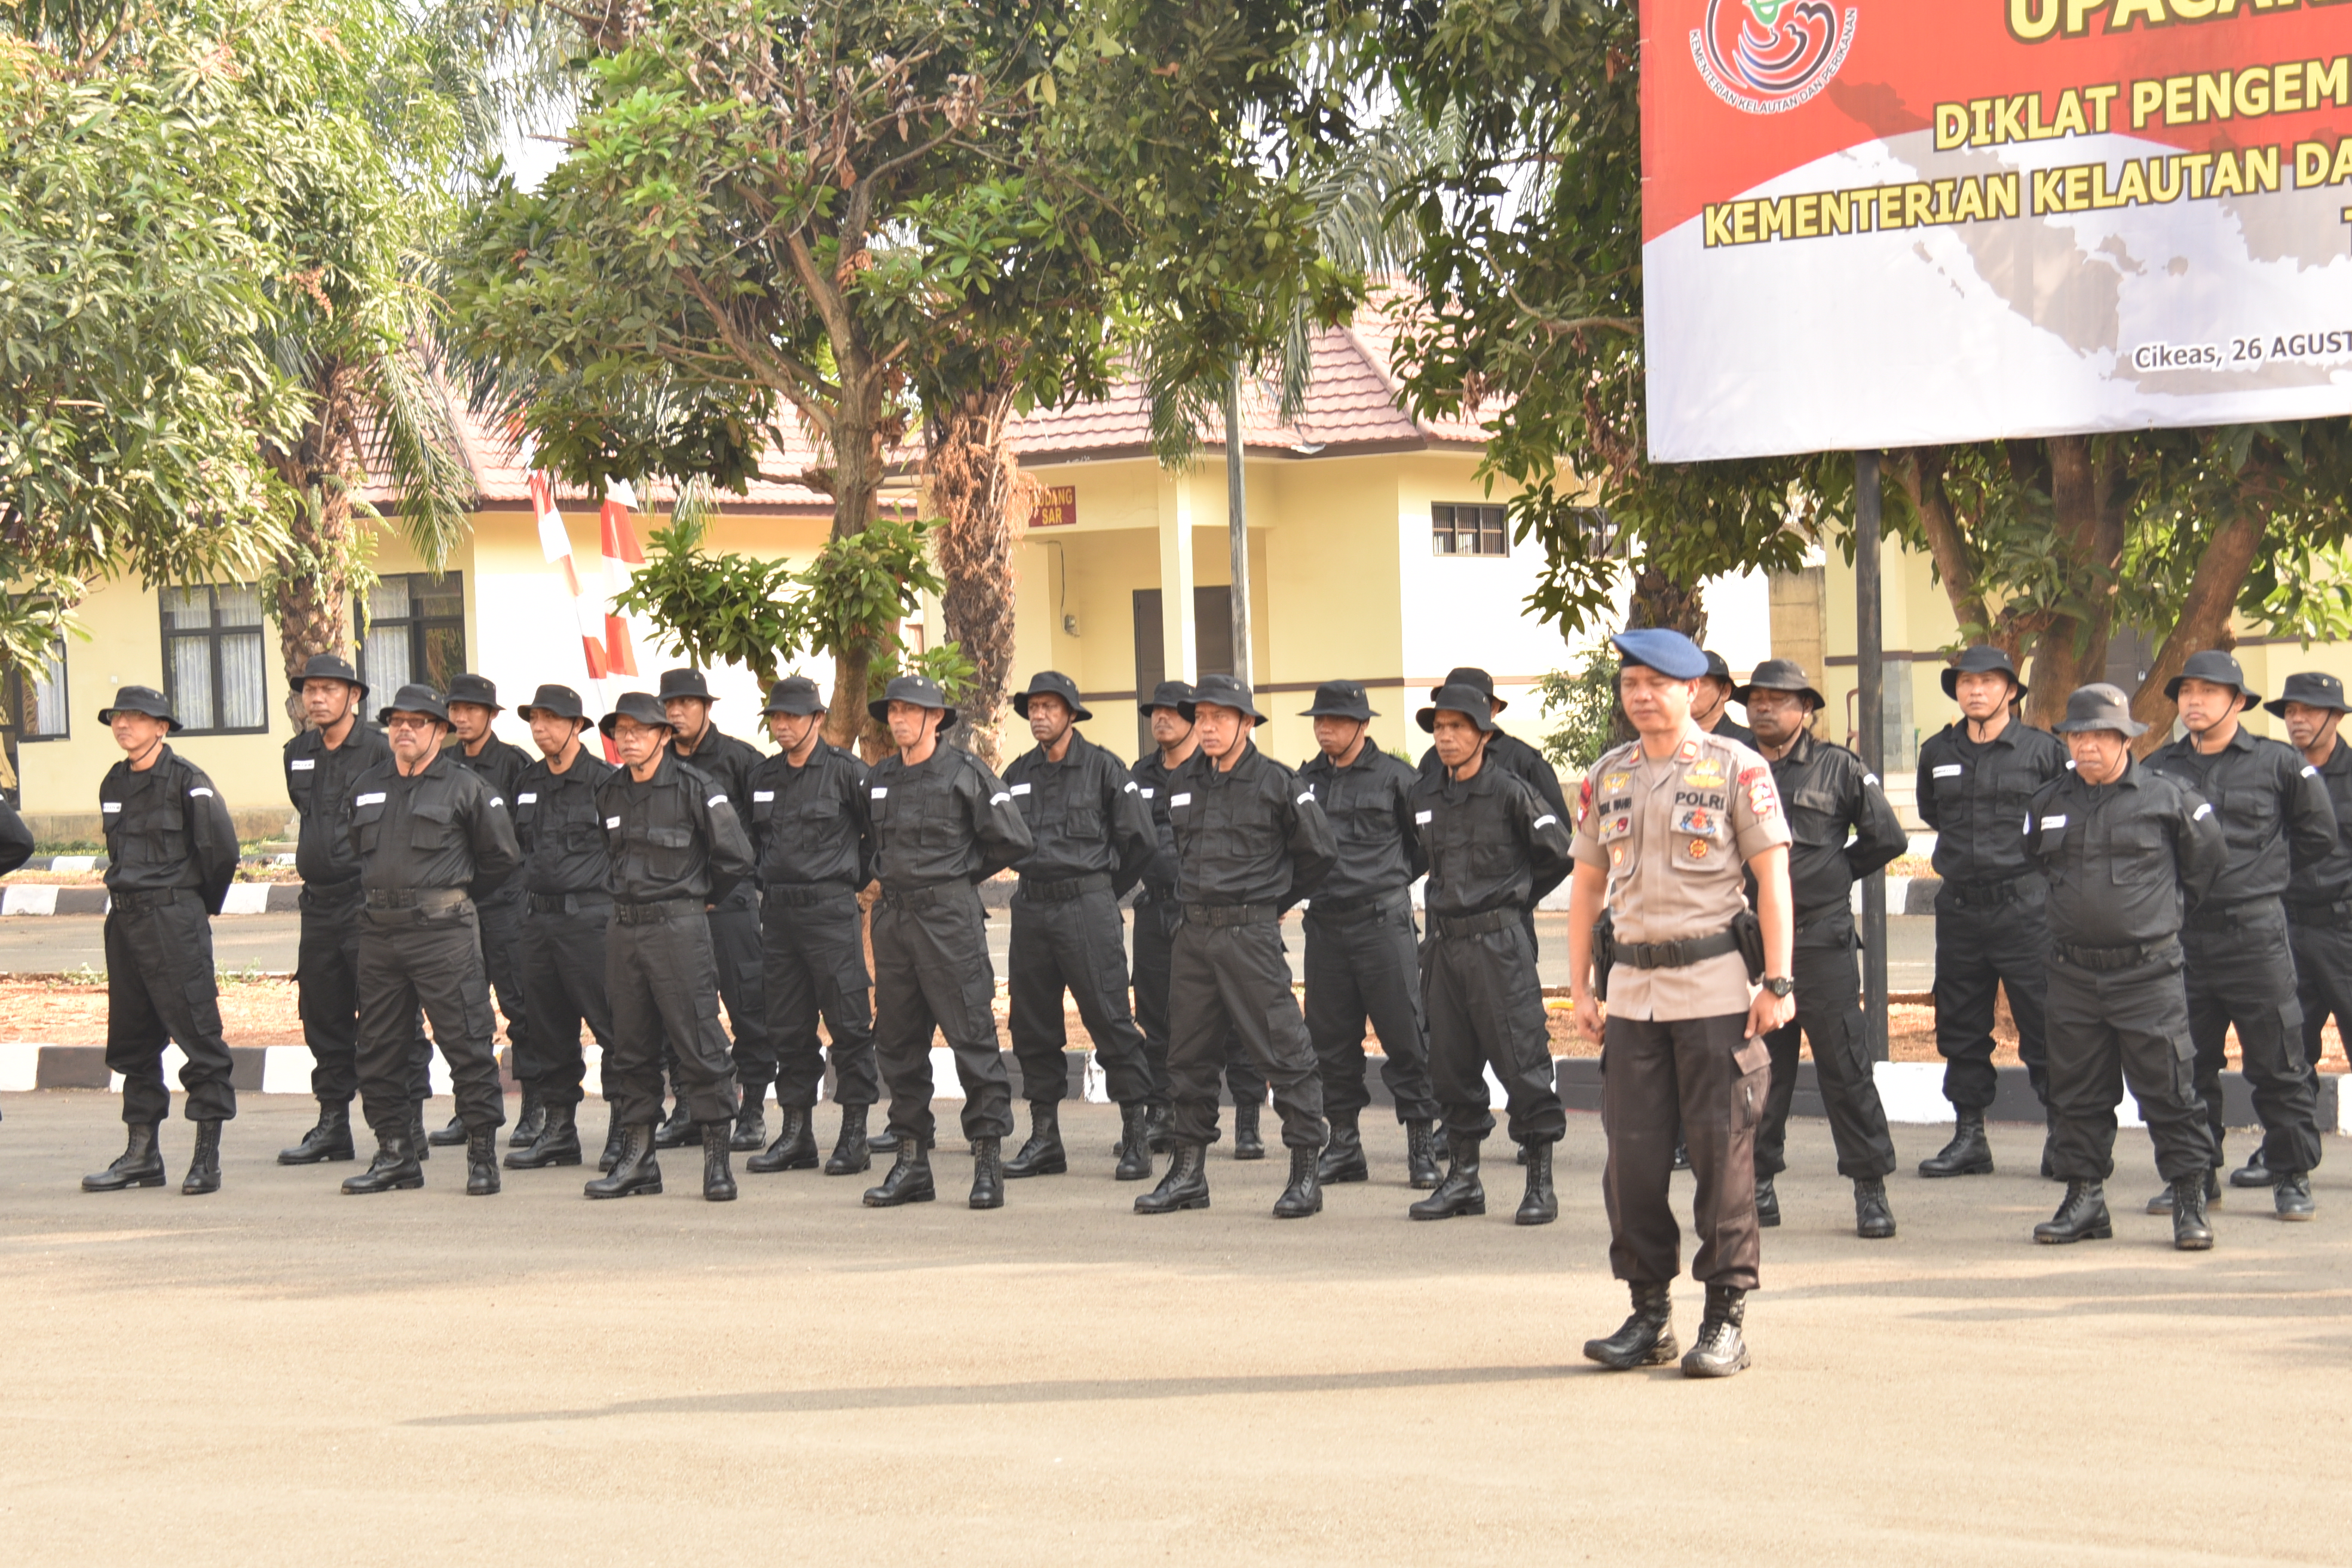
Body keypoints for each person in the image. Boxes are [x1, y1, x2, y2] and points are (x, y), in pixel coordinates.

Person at [1567, 629, 1794, 1380]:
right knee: (1629, 1160)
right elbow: (1589, 888)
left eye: (1656, 683)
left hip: (1715, 990)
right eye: (1630, 681)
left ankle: (1725, 1317)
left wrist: (1779, 981)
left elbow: (1772, 882)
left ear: (1693, 689)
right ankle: (1648, 1313)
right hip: (1633, 993)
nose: (1640, 694)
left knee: (1722, 1155)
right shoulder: (1609, 775)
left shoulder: (1737, 768)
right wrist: (1579, 983)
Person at [2026, 683, 2226, 1250]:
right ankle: (2084, 1198)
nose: (2087, 746)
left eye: (2101, 736)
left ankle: (2189, 1197)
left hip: (2147, 974)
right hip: (2073, 975)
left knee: (2170, 1089)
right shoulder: (2047, 804)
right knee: (2077, 1092)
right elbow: (2035, 863)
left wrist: (2156, 917)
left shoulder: (2169, 798)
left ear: (2127, 739)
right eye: (2078, 735)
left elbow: (2207, 862)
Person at [1135, 673, 1337, 1220]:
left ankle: (1303, 1174)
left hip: (1249, 935)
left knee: (1283, 1049)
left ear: (1246, 723)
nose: (1208, 727)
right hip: (1193, 934)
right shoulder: (1184, 782)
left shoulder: (1277, 782)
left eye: (1220, 717)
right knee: (1187, 1055)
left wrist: (1274, 901)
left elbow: (1320, 853)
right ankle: (1187, 1175)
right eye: (1201, 717)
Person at [2142, 650, 2330, 1220]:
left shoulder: (2278, 765)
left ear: (2239, 701)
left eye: (2208, 691)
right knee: (2186, 1066)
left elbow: (2317, 836)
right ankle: (2196, 1176)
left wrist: (2264, 883)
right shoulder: (2157, 768)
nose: (2193, 702)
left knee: (2278, 1060)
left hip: (2257, 936)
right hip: (2185, 939)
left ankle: (2291, 1175)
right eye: (2186, 692)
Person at [1735, 658, 1907, 1239]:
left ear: (1806, 709)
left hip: (1823, 943)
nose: (1765, 707)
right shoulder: (1732, 769)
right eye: (1757, 698)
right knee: (1758, 1071)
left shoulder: (1840, 768)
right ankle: (1757, 1187)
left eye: (1779, 699)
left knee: (1846, 1069)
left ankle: (1870, 1189)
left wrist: (1833, 873)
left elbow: (1887, 837)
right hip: (1754, 946)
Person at [860, 674, 1036, 1211]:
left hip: (948, 922)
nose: (899, 720)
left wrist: (958, 875)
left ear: (937, 718)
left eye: (910, 711)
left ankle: (987, 1163)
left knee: (972, 1041)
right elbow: (867, 845)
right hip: (894, 923)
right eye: (893, 711)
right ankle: (912, 1164)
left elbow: (1014, 839)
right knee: (897, 1045)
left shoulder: (965, 773)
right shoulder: (880, 778)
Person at [338, 684, 520, 1198]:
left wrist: (451, 896)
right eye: (398, 721)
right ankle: (395, 1153)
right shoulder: (368, 784)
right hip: (379, 933)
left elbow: (501, 858)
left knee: (465, 1042)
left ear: (440, 731)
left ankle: (482, 1155)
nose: (405, 730)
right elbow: (358, 849)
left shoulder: (465, 786)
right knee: (378, 1048)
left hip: (443, 932)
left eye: (418, 722)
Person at [1406, 682, 1573, 1225]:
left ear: (1485, 733)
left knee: (1522, 1063)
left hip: (1500, 947)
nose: (1446, 737)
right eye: (1440, 727)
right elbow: (1415, 860)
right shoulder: (1427, 796)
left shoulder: (1509, 791)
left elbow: (1558, 855)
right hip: (1445, 947)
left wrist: (1517, 896)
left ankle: (1539, 1184)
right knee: (1449, 1066)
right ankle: (1464, 1180)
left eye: (1458, 727)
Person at [586, 691, 757, 1202]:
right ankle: (638, 1161)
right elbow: (608, 856)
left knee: (700, 1044)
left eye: (640, 730)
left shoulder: (696, 788)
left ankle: (716, 1162)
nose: (629, 739)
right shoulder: (610, 792)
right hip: (625, 931)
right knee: (631, 1047)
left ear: (664, 735)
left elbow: (735, 858)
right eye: (621, 731)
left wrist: (699, 901)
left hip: (679, 928)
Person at [1914, 645, 2069, 1178]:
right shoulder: (1936, 752)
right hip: (1959, 909)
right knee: (1959, 1024)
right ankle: (1970, 1136)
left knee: (2045, 1022)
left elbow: (2063, 822)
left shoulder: (2043, 752)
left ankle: (2064, 1136)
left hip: (2025, 907)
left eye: (1987, 681)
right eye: (1965, 682)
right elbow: (1933, 813)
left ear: (2011, 690)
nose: (1975, 690)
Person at [1000, 672, 1159, 1181]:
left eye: (1050, 706)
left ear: (1071, 713)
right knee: (1031, 1026)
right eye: (1033, 707)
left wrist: (1101, 892)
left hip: (1085, 908)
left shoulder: (1104, 768)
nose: (1039, 715)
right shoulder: (1018, 772)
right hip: (1031, 910)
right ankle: (1045, 1138)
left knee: (1110, 1020)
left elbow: (1141, 842)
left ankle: (1137, 1134)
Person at [79, 687, 238, 1196]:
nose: (123, 725)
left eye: (136, 717)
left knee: (198, 1036)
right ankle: (142, 1154)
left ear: (162, 727)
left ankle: (206, 1158)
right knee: (132, 1041)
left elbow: (221, 853)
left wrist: (188, 906)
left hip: (173, 921)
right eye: (118, 717)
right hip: (125, 924)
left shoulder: (189, 782)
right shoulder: (113, 782)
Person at [277, 654, 430, 1168]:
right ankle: (333, 1124)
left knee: (390, 1016)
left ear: (354, 697)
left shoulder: (379, 751)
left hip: (368, 904)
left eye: (327, 690)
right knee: (323, 1015)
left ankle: (409, 1122)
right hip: (318, 906)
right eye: (309, 690)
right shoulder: (296, 752)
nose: (316, 699)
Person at [1297, 679, 1441, 1190]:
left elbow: (1425, 846)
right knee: (1331, 1044)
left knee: (1406, 1038)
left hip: (1382, 924)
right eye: (1318, 720)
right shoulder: (1305, 779)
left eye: (1334, 720)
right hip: (1325, 926)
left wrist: (1390, 880)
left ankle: (1422, 1149)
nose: (1323, 728)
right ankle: (1345, 1147)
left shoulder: (1396, 778)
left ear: (1361, 725)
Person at [742, 676, 880, 1178]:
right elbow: (754, 843)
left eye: (793, 718)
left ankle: (854, 1134)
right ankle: (796, 1133)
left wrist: (850, 879)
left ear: (818, 720)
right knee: (787, 1028)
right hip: (778, 915)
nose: (782, 726)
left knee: (847, 1025)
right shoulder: (762, 777)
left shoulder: (847, 773)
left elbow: (876, 835)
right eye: (776, 718)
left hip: (829, 912)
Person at [1128, 682, 1266, 1162]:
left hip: (1212, 914)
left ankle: (1247, 1119)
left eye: (1172, 713)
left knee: (1235, 1018)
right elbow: (1124, 837)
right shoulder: (1140, 775)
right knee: (1160, 1018)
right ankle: (1164, 1113)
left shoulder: (1209, 773)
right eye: (1155, 713)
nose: (1161, 720)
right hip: (1155, 908)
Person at [502, 684, 618, 1174]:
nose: (540, 728)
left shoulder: (604, 782)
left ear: (577, 726)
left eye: (551, 719)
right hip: (537, 920)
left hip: (589, 921)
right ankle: (559, 1131)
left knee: (615, 1028)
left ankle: (625, 1130)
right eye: (534, 719)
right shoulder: (528, 782)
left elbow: (623, 848)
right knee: (548, 1029)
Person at [659, 666, 774, 1154]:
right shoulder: (656, 763)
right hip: (675, 908)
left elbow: (766, 833)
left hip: (730, 904)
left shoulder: (741, 761)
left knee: (747, 1005)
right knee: (677, 1010)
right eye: (670, 705)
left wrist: (746, 887)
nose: (677, 712)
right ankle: (688, 1107)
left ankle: (751, 1110)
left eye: (687, 703)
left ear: (707, 708)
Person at [430, 672, 537, 1152]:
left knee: (521, 1009)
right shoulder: (442, 763)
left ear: (492, 715)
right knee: (463, 1013)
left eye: (472, 709)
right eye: (455, 708)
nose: (461, 717)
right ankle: (469, 1109)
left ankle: (534, 1110)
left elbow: (526, 839)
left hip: (504, 905)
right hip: (454, 908)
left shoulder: (515, 765)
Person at [1415, 666, 1568, 957]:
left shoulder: (1524, 762)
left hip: (1503, 931)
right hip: (1444, 932)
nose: (1448, 733)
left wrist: (1519, 895)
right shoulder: (1431, 763)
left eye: (1461, 720)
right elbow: (1415, 837)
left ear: (1492, 709)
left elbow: (1559, 842)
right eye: (1443, 718)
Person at [2268, 673, 2352, 1112]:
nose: (2298, 720)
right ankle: (2286, 1154)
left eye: (2310, 711)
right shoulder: (2274, 775)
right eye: (2291, 712)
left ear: (2335, 717)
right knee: (2288, 1049)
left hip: (2345, 931)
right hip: (2285, 931)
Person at [1695, 651, 1755, 748]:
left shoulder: (1747, 743)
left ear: (1725, 692)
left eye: (1700, 683)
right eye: (1683, 682)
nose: (1689, 689)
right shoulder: (1667, 740)